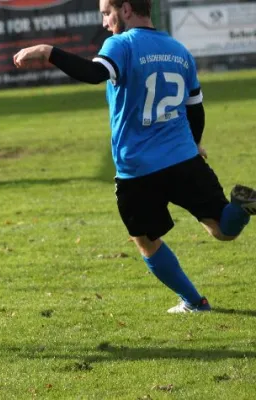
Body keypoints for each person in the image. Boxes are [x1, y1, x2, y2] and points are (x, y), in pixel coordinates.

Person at [13, 0, 256, 313]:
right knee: (222, 229)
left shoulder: (121, 44)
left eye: (106, 13)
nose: (104, 22)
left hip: (138, 168)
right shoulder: (178, 49)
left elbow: (93, 73)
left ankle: (195, 302)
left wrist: (48, 51)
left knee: (145, 240)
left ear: (125, 9)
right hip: (183, 159)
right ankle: (241, 206)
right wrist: (194, 143)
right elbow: (195, 107)